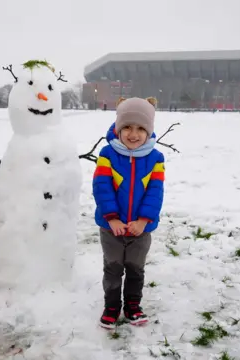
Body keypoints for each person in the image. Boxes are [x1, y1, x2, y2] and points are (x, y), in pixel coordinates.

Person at [92, 97, 165, 329]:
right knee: (113, 267)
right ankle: (111, 306)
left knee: (135, 268)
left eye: (141, 128)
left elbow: (155, 191)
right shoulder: (107, 154)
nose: (133, 134)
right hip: (111, 227)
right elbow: (102, 187)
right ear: (118, 128)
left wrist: (143, 220)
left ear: (149, 130)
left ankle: (133, 305)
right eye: (127, 127)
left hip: (140, 229)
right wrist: (112, 218)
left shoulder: (156, 158)